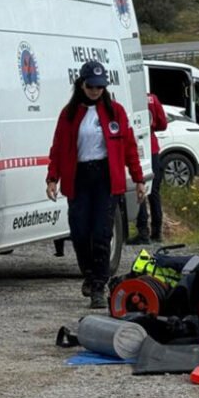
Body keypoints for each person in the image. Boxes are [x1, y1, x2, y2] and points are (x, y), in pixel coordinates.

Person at [47, 61, 146, 308]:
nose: (95, 91)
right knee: (80, 233)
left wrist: (138, 179)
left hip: (106, 178)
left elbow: (129, 148)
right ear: (81, 84)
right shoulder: (69, 114)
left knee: (102, 234)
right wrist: (52, 178)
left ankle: (99, 286)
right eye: (91, 86)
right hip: (79, 177)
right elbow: (58, 148)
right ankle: (90, 275)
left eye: (100, 87)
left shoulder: (116, 112)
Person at [128, 93, 168, 245]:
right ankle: (157, 232)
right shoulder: (152, 99)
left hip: (136, 147)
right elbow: (163, 124)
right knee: (154, 191)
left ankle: (143, 231)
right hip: (152, 147)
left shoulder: (130, 97)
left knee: (140, 189)